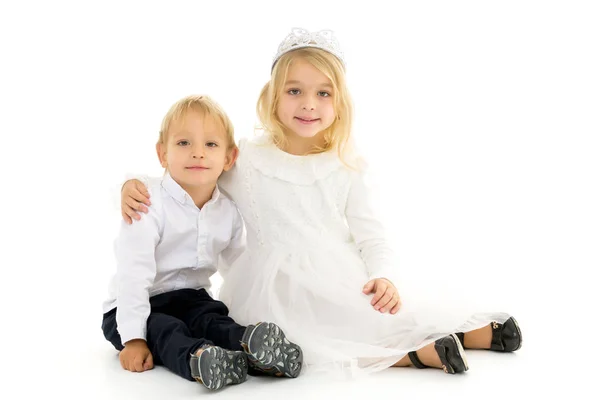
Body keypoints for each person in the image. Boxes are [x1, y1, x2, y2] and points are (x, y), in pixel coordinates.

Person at [120, 28, 522, 378]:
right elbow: (189, 172)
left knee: (376, 311)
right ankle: (415, 355)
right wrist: (128, 186)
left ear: (339, 102)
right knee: (317, 336)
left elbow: (371, 235)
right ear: (273, 97)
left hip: (337, 271)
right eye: (294, 91)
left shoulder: (347, 164)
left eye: (322, 93)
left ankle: (464, 332)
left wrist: (383, 275)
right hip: (273, 288)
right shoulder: (246, 159)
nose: (308, 104)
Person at [102, 94, 302, 391]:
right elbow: (134, 275)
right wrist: (132, 339)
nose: (197, 153)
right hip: (136, 305)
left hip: (192, 297)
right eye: (183, 143)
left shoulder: (228, 211)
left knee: (213, 319)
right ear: (163, 154)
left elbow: (238, 266)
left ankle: (250, 348)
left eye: (210, 144)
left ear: (229, 158)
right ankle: (200, 359)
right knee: (167, 330)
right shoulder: (146, 201)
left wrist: (268, 299)